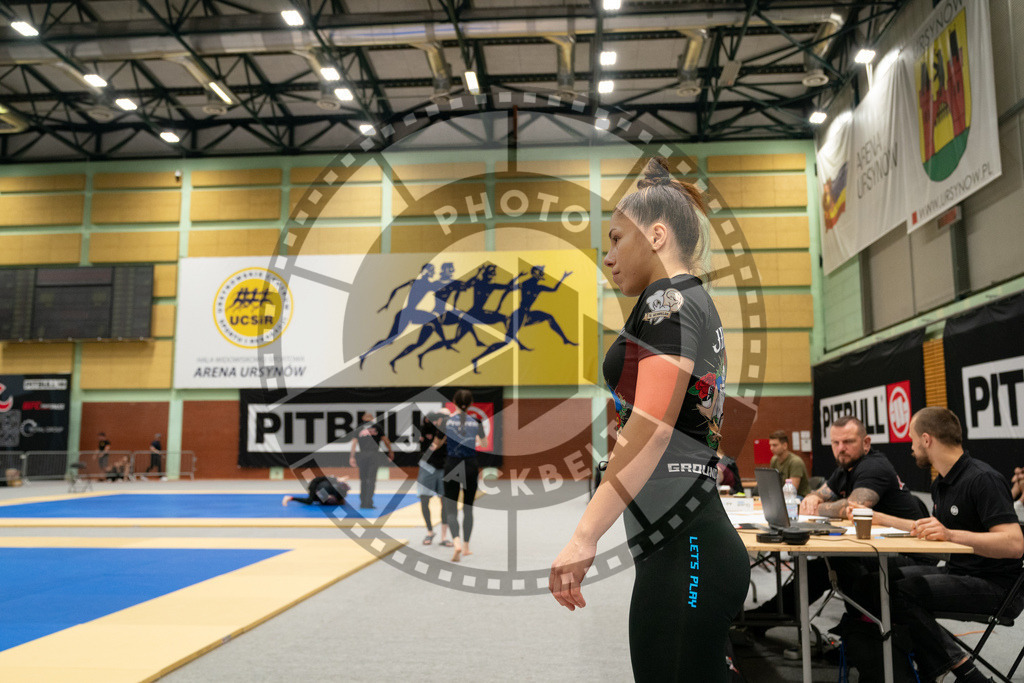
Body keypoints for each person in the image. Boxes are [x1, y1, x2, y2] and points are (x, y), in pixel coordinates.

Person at [549, 157, 749, 682]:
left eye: (616, 239)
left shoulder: (670, 300)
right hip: (678, 547)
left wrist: (585, 535)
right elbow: (659, 420)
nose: (608, 256)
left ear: (656, 235)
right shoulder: (678, 302)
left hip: (689, 551)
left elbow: (655, 428)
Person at [849, 407, 1024, 683]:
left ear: (927, 440)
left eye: (912, 440)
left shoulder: (982, 479)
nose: (911, 446)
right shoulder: (942, 483)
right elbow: (931, 529)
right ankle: (911, 668)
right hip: (960, 572)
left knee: (896, 592)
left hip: (998, 586)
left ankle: (966, 673)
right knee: (872, 584)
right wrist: (879, 517)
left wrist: (951, 535)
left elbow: (1014, 544)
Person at [744, 415, 929, 626]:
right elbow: (820, 493)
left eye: (848, 442)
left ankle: (861, 633)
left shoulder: (874, 466)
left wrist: (816, 507)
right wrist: (813, 497)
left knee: (836, 565)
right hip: (883, 545)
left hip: (910, 552)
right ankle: (765, 619)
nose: (841, 448)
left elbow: (852, 507)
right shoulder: (845, 468)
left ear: (866, 443)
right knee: (823, 566)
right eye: (836, 442)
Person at [443, 389, 485, 563]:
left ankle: (456, 542)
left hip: (452, 464)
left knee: (451, 508)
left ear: (453, 402)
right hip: (470, 464)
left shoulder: (447, 421)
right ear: (471, 403)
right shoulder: (476, 421)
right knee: (468, 508)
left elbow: (438, 442)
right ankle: (467, 546)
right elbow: (484, 443)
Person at [417, 411, 450, 546]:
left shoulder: (451, 430)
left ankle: (444, 536)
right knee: (424, 499)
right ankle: (430, 531)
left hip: (444, 468)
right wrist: (441, 437)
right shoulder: (426, 429)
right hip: (428, 467)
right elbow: (431, 448)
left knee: (445, 501)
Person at [349, 412, 393, 509]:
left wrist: (352, 457)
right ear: (372, 418)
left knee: (363, 479)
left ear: (363, 418)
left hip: (363, 455)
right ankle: (369, 502)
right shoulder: (377, 427)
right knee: (371, 480)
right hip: (374, 455)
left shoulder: (359, 428)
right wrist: (390, 452)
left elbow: (354, 443)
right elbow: (386, 441)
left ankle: (363, 502)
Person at [768, 430, 809, 496]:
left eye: (775, 445)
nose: (771, 448)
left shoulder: (795, 462)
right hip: (782, 496)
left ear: (785, 445)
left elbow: (791, 491)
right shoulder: (774, 460)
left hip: (799, 497)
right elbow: (772, 484)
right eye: (770, 445)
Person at [282, 475, 350, 506]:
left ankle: (290, 498)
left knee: (317, 499)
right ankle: (290, 498)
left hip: (321, 487)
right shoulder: (332, 482)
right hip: (315, 485)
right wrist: (338, 478)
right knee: (309, 501)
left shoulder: (335, 488)